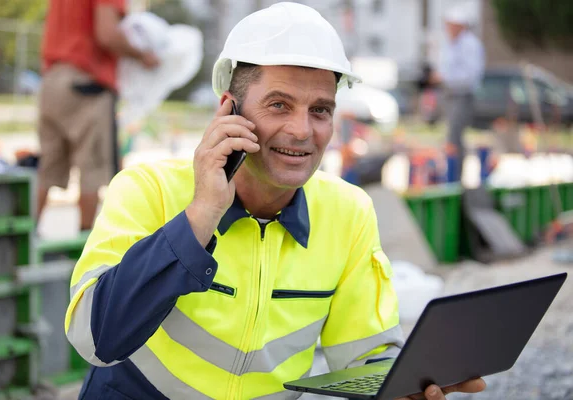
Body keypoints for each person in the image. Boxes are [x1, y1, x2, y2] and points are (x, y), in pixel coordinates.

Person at [64, 3, 486, 399]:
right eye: (279, 105)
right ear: (229, 109)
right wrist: (200, 216)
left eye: (320, 110)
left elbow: (364, 357)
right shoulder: (148, 190)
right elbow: (93, 339)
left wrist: (403, 384)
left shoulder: (347, 213)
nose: (302, 130)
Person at [36, 0, 159, 233]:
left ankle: (22, 243)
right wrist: (143, 55)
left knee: (48, 167)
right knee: (92, 170)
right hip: (86, 83)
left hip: (52, 78)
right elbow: (107, 34)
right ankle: (83, 249)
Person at [430, 4, 485, 182]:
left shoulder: (470, 45)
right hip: (449, 94)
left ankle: (456, 177)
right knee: (448, 136)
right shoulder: (449, 43)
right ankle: (450, 173)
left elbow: (470, 76)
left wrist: (444, 78)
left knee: (455, 136)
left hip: (462, 96)